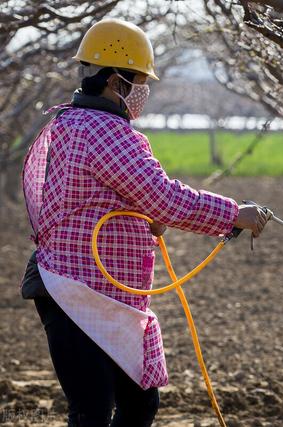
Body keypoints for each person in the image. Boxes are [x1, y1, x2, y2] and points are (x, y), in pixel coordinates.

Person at [20, 18, 268, 427]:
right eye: (139, 80)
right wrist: (232, 213)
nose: (144, 91)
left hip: (90, 290)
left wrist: (139, 220)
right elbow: (164, 197)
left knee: (136, 405)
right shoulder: (106, 131)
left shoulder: (67, 122)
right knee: (94, 412)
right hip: (78, 291)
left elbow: (85, 201)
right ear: (117, 81)